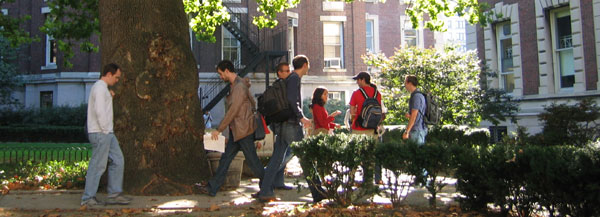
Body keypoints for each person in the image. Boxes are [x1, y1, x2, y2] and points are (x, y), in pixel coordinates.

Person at [198, 60, 265, 196]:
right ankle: (212, 187)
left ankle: (268, 186)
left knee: (253, 162)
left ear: (227, 71)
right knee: (226, 160)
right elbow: (250, 103)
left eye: (221, 74)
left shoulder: (239, 87)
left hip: (243, 130)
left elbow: (233, 110)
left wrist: (219, 129)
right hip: (238, 130)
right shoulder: (237, 85)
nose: (220, 77)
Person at [256, 56, 312, 202]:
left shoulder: (289, 79)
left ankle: (265, 190)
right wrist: (302, 117)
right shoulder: (294, 78)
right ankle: (317, 191)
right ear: (305, 65)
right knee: (305, 156)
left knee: (276, 159)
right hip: (291, 124)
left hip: (281, 123)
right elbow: (293, 100)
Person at [81, 63, 131, 206]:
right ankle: (88, 198)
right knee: (98, 166)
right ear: (109, 74)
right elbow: (99, 111)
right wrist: (105, 130)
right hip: (101, 132)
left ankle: (114, 194)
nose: (117, 80)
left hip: (107, 132)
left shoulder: (103, 89)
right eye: (116, 77)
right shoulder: (99, 88)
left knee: (118, 160)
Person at [348, 71, 383, 184]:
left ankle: (351, 179)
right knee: (370, 156)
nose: (357, 82)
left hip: (358, 129)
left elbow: (352, 112)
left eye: (358, 80)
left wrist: (353, 122)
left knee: (354, 155)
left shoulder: (356, 93)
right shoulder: (377, 94)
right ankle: (368, 181)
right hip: (372, 129)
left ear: (363, 80)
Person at [402, 75, 427, 145]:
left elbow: (414, 115)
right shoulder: (418, 95)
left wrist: (407, 131)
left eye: (405, 83)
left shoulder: (416, 96)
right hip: (419, 129)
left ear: (410, 83)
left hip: (417, 130)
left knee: (416, 152)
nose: (405, 85)